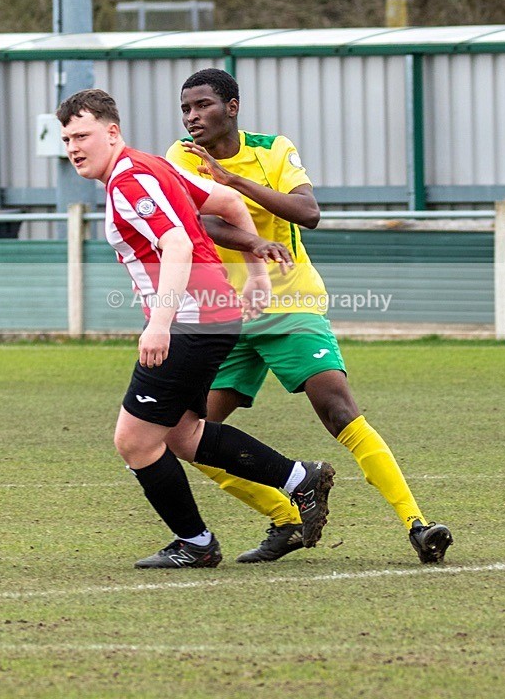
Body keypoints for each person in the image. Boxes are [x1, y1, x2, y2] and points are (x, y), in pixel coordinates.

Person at [165, 68, 453, 565]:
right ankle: (287, 517)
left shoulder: (274, 149)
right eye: (186, 107)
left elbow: (307, 212)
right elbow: (199, 221)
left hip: (290, 305)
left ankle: (417, 524)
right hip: (225, 316)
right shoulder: (180, 157)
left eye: (203, 105)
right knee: (185, 435)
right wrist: (243, 224)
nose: (192, 116)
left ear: (231, 107)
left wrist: (233, 182)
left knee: (340, 411)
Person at [56, 88, 335, 570]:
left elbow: (178, 244)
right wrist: (256, 276)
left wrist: (160, 326)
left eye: (83, 134)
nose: (74, 147)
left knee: (134, 440)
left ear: (112, 132)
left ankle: (197, 542)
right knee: (184, 434)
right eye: (66, 139)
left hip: (190, 321)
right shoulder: (152, 167)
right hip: (211, 315)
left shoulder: (130, 181)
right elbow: (227, 199)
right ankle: (298, 479)